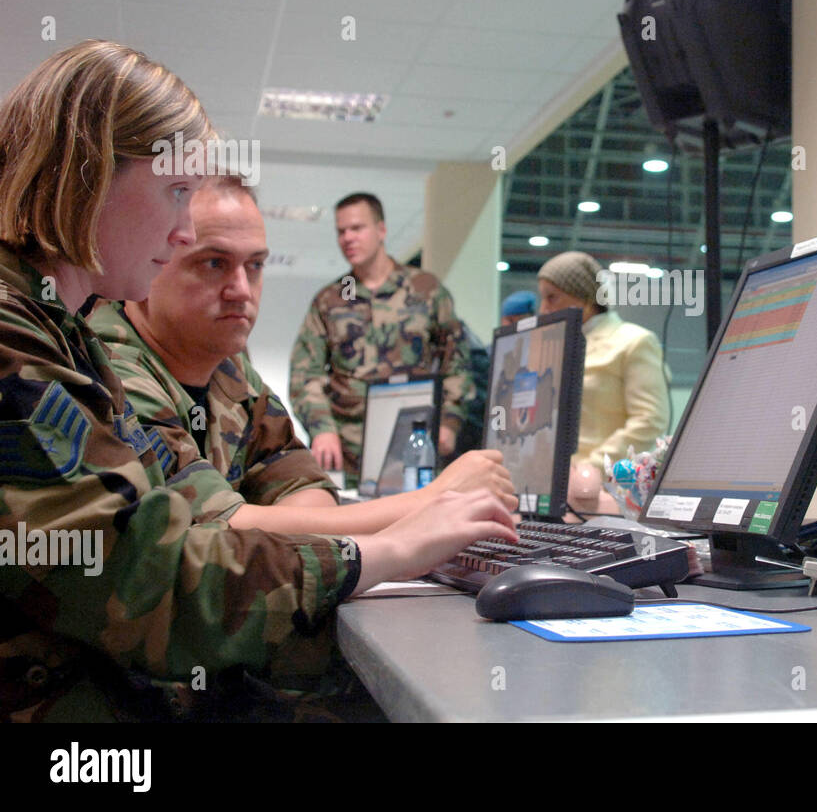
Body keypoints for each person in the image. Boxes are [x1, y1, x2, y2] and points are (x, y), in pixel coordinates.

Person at [0, 41, 516, 721]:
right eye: (176, 192)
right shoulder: (20, 335)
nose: (182, 228)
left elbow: (223, 511)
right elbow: (147, 583)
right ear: (94, 172)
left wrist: (385, 543)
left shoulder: (68, 333)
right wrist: (387, 548)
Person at [87, 174, 514, 534]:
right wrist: (436, 500)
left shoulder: (231, 373)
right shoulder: (107, 371)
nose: (241, 290)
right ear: (152, 260)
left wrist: (449, 429)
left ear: (381, 231)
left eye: (255, 265)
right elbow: (216, 528)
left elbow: (306, 491)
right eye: (214, 263)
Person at [290, 192, 475, 484]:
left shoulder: (426, 290)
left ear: (381, 230)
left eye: (357, 228)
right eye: (341, 231)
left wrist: (450, 422)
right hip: (349, 459)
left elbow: (458, 362)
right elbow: (305, 375)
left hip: (415, 451)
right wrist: (322, 428)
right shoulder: (329, 300)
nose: (348, 238)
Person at [536, 252, 671, 475]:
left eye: (552, 297)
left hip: (606, 486)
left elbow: (650, 421)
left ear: (584, 296)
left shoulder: (634, 341)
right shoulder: (556, 346)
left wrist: (592, 468)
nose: (543, 309)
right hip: (555, 480)